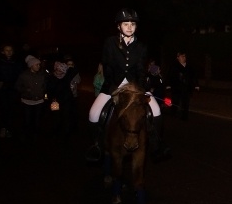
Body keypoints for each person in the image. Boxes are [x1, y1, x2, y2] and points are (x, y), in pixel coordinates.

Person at [85, 9, 165, 162]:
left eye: (132, 24)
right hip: (113, 85)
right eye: (126, 24)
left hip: (135, 86)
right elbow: (107, 66)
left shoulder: (141, 46)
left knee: (155, 111)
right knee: (93, 113)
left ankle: (156, 144)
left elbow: (141, 69)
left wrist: (139, 88)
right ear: (119, 26)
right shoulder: (110, 43)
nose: (129, 27)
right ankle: (96, 145)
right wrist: (115, 86)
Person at [14, 55, 47, 145]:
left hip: (39, 101)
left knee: (37, 120)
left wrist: (43, 93)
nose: (38, 66)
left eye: (39, 65)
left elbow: (45, 86)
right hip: (27, 101)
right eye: (36, 65)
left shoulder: (42, 74)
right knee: (27, 120)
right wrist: (25, 90)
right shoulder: (23, 75)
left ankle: (36, 137)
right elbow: (17, 86)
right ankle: (26, 137)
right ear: (31, 65)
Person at [47, 59, 79, 142]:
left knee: (66, 118)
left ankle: (66, 135)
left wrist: (69, 67)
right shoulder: (51, 77)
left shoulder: (67, 76)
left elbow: (75, 70)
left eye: (61, 70)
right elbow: (48, 90)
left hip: (66, 101)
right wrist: (49, 98)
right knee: (55, 118)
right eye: (57, 69)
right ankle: (55, 133)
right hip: (55, 102)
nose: (58, 72)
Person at [0, 43, 24, 139]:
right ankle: (3, 127)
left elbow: (20, 75)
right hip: (3, 88)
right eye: (6, 50)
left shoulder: (17, 63)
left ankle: (9, 128)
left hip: (14, 88)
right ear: (2, 51)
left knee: (12, 109)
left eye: (10, 50)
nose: (9, 52)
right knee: (3, 108)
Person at [168, 51, 197, 120]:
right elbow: (170, 76)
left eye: (184, 56)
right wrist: (169, 84)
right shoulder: (174, 66)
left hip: (186, 88)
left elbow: (193, 76)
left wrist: (196, 85)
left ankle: (185, 116)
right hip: (176, 88)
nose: (184, 58)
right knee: (175, 102)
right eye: (182, 56)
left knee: (186, 103)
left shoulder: (189, 66)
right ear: (178, 58)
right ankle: (173, 114)